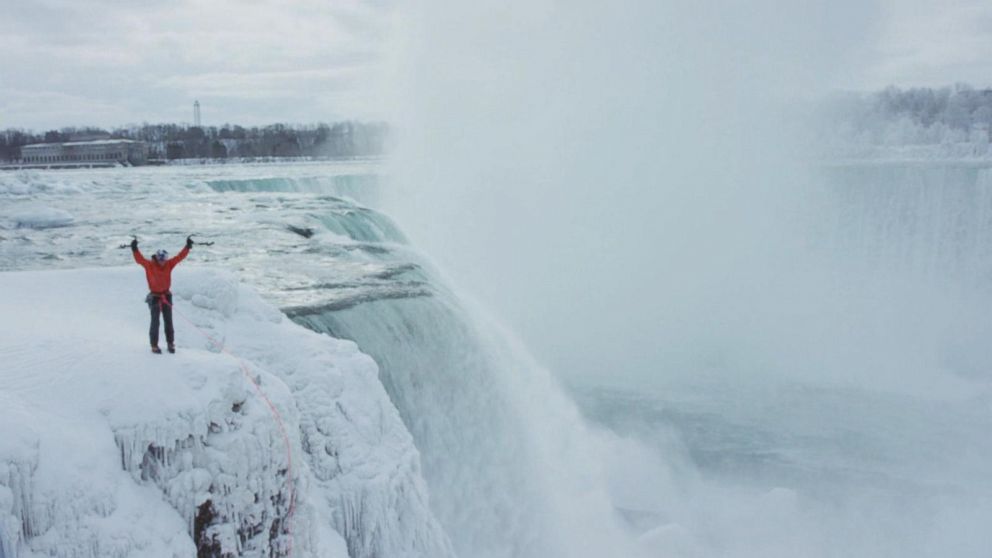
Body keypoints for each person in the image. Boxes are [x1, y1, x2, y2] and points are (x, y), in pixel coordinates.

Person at [131, 236, 193, 353]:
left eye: (164, 259)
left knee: (168, 321)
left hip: (166, 295)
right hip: (154, 297)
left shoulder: (169, 264)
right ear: (157, 258)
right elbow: (139, 259)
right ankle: (154, 345)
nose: (163, 262)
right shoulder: (149, 265)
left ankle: (170, 343)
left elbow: (179, 257)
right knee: (155, 322)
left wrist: (187, 247)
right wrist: (134, 249)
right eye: (161, 259)